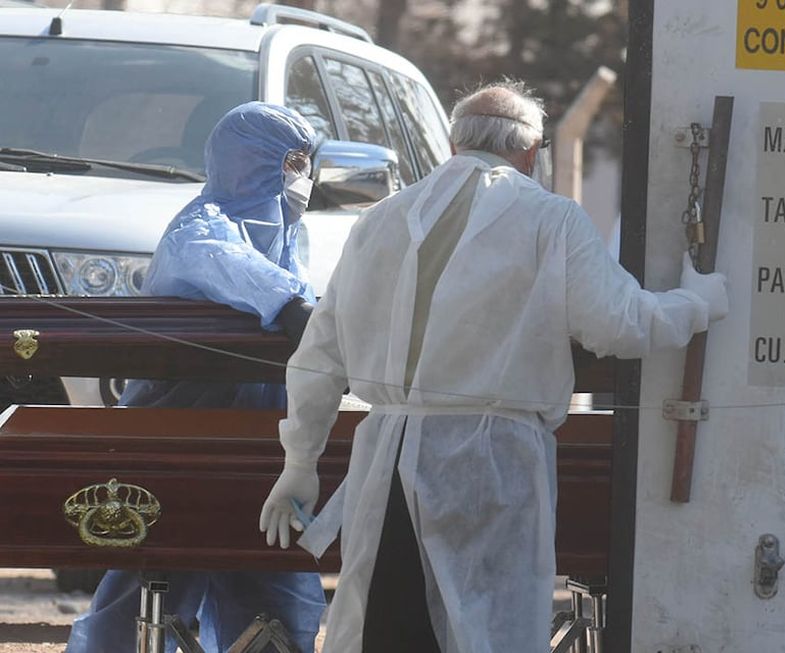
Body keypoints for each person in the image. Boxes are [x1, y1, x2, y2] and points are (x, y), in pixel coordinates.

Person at [259, 80, 729, 653]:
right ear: (532, 153)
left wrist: (300, 461)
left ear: (453, 148)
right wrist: (698, 301)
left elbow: (318, 355)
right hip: (490, 465)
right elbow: (621, 324)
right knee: (487, 634)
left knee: (389, 627)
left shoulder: (379, 220)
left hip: (387, 459)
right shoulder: (549, 218)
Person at [67, 102, 326, 653]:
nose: (303, 177)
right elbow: (275, 298)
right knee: (153, 586)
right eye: (295, 161)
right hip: (176, 445)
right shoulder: (202, 231)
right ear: (253, 161)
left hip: (258, 444)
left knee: (275, 587)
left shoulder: (283, 237)